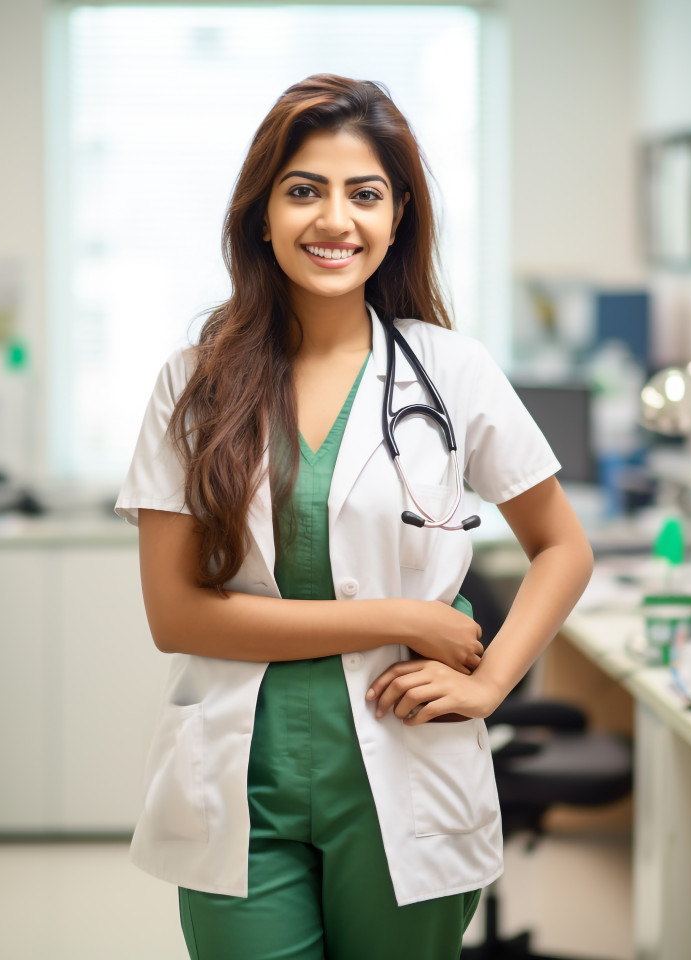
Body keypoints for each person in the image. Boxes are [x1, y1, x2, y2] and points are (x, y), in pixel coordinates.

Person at [115, 74, 594, 960]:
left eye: (363, 194)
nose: (334, 220)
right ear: (262, 215)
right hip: (241, 783)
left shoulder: (452, 372)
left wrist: (489, 686)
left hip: (405, 769)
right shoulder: (193, 385)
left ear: (397, 215)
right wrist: (403, 619)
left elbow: (562, 547)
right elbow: (174, 614)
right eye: (304, 190)